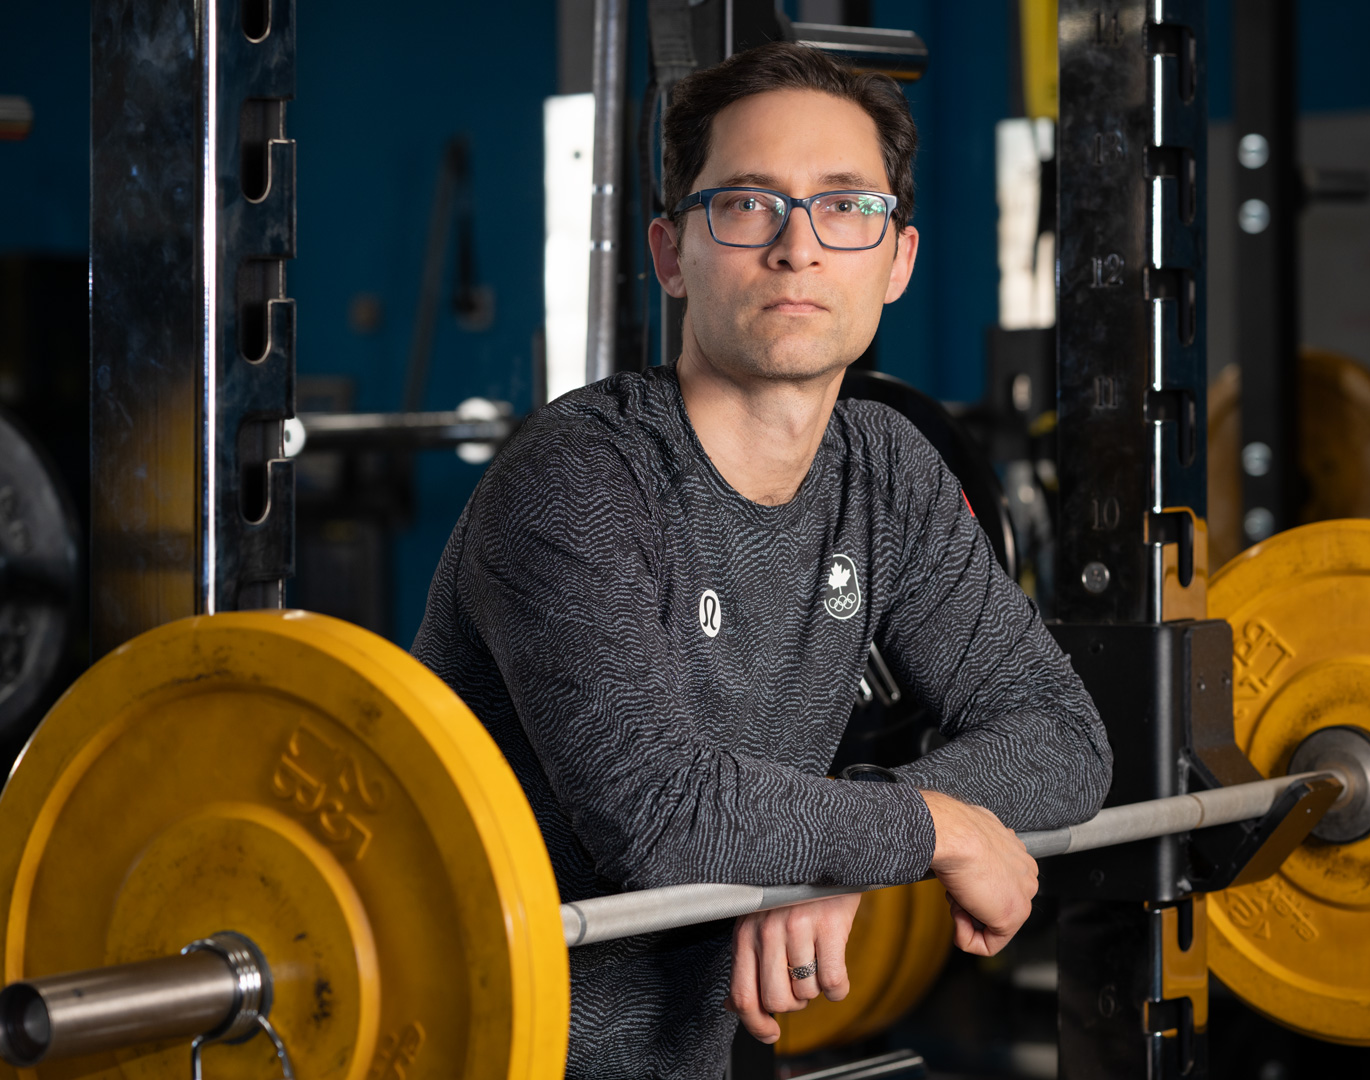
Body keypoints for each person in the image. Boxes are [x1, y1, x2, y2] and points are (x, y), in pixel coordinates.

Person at [412, 41, 1112, 1079]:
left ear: (898, 259)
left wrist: (850, 844)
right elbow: (662, 813)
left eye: (846, 207)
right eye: (746, 205)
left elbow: (1064, 738)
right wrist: (932, 829)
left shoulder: (886, 472)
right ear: (669, 253)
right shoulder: (577, 478)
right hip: (464, 1045)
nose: (799, 249)